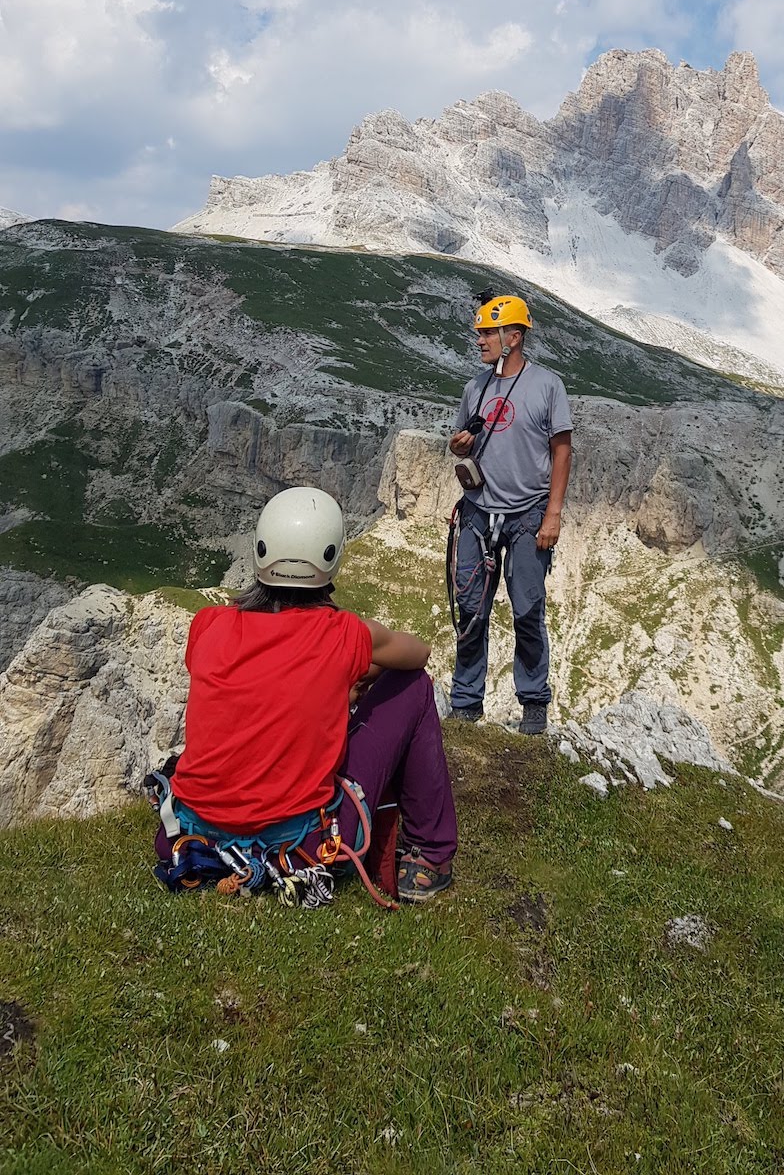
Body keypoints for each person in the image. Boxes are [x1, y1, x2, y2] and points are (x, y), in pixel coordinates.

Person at [156, 486, 457, 902]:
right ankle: (431, 856)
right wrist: (351, 677)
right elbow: (419, 653)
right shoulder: (344, 635)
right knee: (416, 687)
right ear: (331, 557)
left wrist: (332, 684)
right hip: (299, 846)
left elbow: (258, 682)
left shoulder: (208, 624)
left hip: (192, 835)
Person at [447, 293, 572, 735]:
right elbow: (457, 440)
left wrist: (552, 514)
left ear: (513, 336)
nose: (478, 339)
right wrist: (458, 446)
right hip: (479, 513)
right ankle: (465, 703)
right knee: (471, 607)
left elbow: (561, 450)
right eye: (479, 332)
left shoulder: (547, 386)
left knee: (527, 609)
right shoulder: (476, 387)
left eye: (487, 332)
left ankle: (533, 704)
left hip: (527, 516)